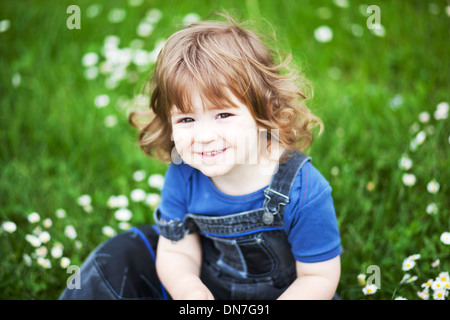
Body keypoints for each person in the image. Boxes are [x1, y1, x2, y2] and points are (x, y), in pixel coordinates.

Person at [59, 13, 341, 300]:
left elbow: (318, 276)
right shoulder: (184, 175)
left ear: (264, 111)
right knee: (121, 254)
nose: (204, 136)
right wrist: (188, 289)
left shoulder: (303, 190)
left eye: (223, 114)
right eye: (187, 120)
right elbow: (177, 250)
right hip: (209, 290)